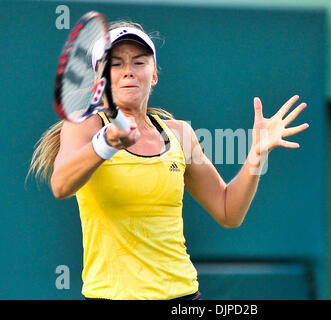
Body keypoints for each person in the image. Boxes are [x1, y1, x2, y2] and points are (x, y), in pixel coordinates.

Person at [28, 20, 309, 300]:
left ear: (154, 76)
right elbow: (61, 185)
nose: (128, 72)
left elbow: (228, 212)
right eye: (116, 64)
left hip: (183, 297)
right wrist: (107, 143)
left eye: (139, 62)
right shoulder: (85, 128)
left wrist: (256, 155)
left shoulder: (179, 133)